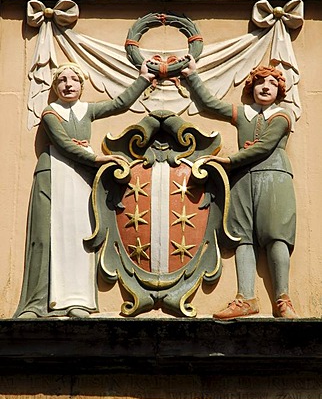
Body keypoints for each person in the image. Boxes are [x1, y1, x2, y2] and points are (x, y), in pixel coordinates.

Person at [15, 61, 154, 318]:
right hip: (53, 175)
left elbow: (119, 104)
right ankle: (38, 303)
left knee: (80, 235)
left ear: (81, 85)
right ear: (55, 86)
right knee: (47, 237)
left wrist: (143, 79)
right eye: (62, 80)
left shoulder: (86, 110)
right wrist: (97, 159)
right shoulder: (50, 112)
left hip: (80, 179)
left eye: (74, 80)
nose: (68, 85)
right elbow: (64, 144)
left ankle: (76, 299)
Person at [181, 56, 298, 319]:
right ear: (251, 88)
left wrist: (230, 160)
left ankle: (283, 299)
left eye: (272, 83)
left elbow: (266, 145)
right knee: (241, 235)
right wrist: (192, 75)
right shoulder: (243, 113)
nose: (266, 87)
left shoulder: (282, 115)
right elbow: (210, 104)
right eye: (260, 82)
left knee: (276, 234)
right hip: (242, 179)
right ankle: (246, 297)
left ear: (280, 91)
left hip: (274, 174)